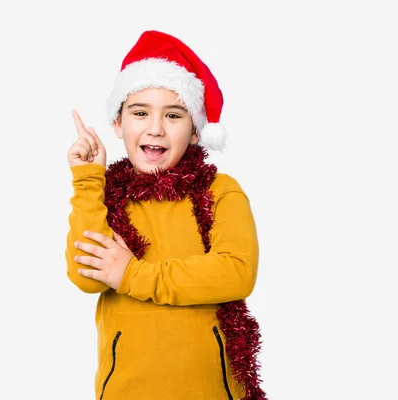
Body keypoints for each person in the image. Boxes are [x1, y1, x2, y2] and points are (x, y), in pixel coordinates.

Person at [65, 30, 266, 400]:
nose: (155, 128)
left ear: (194, 132)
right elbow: (87, 276)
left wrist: (132, 275)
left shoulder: (219, 192)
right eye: (140, 113)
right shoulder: (104, 196)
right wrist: (88, 180)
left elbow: (235, 272)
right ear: (118, 124)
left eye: (173, 115)